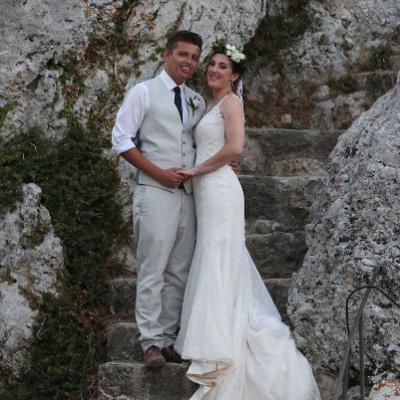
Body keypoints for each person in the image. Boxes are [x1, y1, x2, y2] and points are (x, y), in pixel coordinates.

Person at [174, 42, 321, 400]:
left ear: (234, 75)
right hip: (207, 191)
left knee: (221, 253)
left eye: (222, 66)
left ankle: (222, 340)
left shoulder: (231, 103)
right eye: (211, 64)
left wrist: (196, 169)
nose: (213, 70)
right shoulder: (209, 104)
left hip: (221, 190)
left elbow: (235, 148)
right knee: (213, 253)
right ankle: (215, 332)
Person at [111, 31, 206, 367]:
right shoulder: (144, 91)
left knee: (179, 271)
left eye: (194, 57)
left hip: (187, 197)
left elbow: (199, 143)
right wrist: (157, 173)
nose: (188, 62)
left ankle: (167, 339)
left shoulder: (196, 99)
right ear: (167, 55)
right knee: (153, 268)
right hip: (154, 192)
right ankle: (149, 342)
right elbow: (121, 139)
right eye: (183, 54)